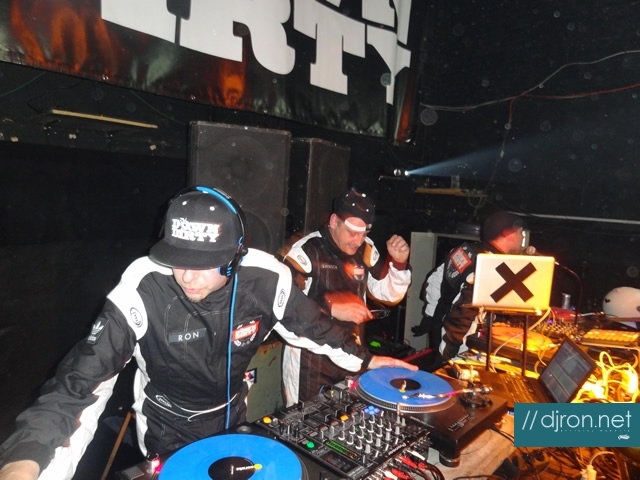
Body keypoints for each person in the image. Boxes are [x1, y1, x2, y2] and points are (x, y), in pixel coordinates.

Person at [0, 186, 417, 480]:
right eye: (178, 259)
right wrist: (26, 460)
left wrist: (366, 360)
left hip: (232, 415)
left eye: (203, 265)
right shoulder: (142, 286)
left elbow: (313, 326)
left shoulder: (265, 278)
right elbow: (78, 384)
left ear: (236, 257)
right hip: (167, 426)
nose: (187, 276)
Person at [281, 188, 411, 406]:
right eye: (351, 232)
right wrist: (328, 306)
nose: (358, 241)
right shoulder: (305, 252)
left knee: (346, 416)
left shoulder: (366, 249)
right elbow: (285, 308)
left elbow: (388, 295)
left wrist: (398, 263)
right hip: (310, 360)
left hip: (352, 353)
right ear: (334, 221)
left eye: (364, 233)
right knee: (306, 421)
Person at [412, 210, 527, 363]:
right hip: (459, 345)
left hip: (442, 327)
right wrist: (449, 353)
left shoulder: (466, 250)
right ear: (509, 235)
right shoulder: (488, 266)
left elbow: (434, 280)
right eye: (520, 233)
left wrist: (432, 316)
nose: (522, 238)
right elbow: (464, 313)